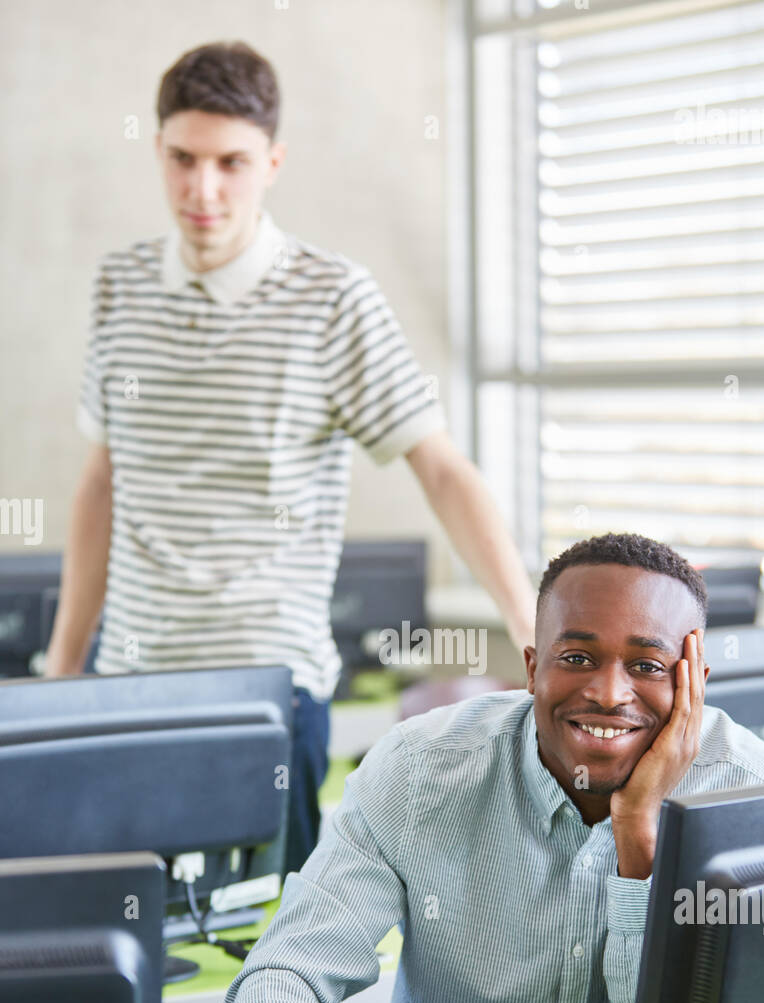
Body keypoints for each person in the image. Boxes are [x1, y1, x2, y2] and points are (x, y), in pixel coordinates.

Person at [44, 40, 536, 868]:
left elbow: (442, 468)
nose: (204, 189)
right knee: (126, 948)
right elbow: (101, 483)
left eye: (231, 163)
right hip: (127, 681)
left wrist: (531, 626)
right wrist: (63, 666)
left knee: (276, 960)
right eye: (183, 159)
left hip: (269, 690)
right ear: (158, 151)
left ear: (272, 162)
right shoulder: (119, 284)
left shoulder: (333, 296)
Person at [222, 532, 764, 1003]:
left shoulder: (748, 788)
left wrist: (638, 833)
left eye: (648, 665)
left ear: (694, 683)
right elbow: (292, 966)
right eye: (577, 655)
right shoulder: (421, 769)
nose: (609, 692)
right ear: (532, 668)